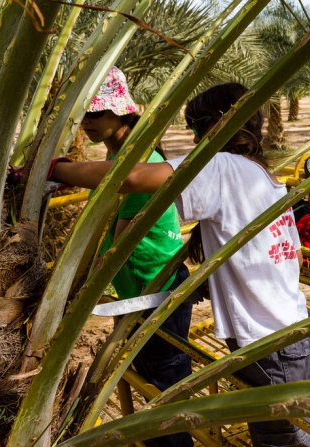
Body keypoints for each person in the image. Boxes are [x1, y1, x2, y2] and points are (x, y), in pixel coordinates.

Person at [51, 82, 310, 447]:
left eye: (195, 129)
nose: (193, 142)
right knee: (284, 435)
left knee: (285, 442)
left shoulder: (221, 166)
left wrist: (58, 169)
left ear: (216, 126)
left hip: (269, 344)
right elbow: (293, 255)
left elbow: (130, 178)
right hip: (292, 333)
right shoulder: (261, 173)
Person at [79, 66, 193, 447]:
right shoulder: (120, 157)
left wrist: (76, 290)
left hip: (158, 286)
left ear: (122, 113)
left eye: (97, 113)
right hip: (137, 287)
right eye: (83, 113)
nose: (87, 123)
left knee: (163, 384)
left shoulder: (140, 163)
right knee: (146, 377)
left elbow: (117, 245)